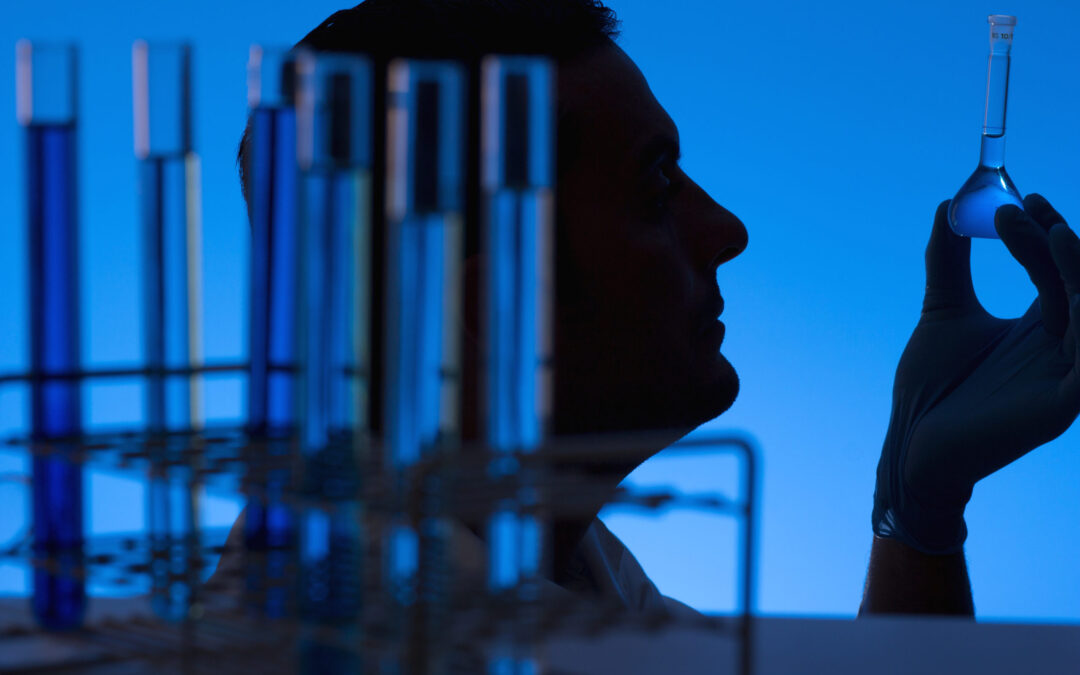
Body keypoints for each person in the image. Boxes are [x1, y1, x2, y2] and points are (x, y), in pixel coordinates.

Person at [221, 0, 1080, 620]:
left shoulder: (568, 576)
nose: (727, 230)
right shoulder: (382, 630)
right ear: (490, 305)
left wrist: (915, 507)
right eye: (654, 186)